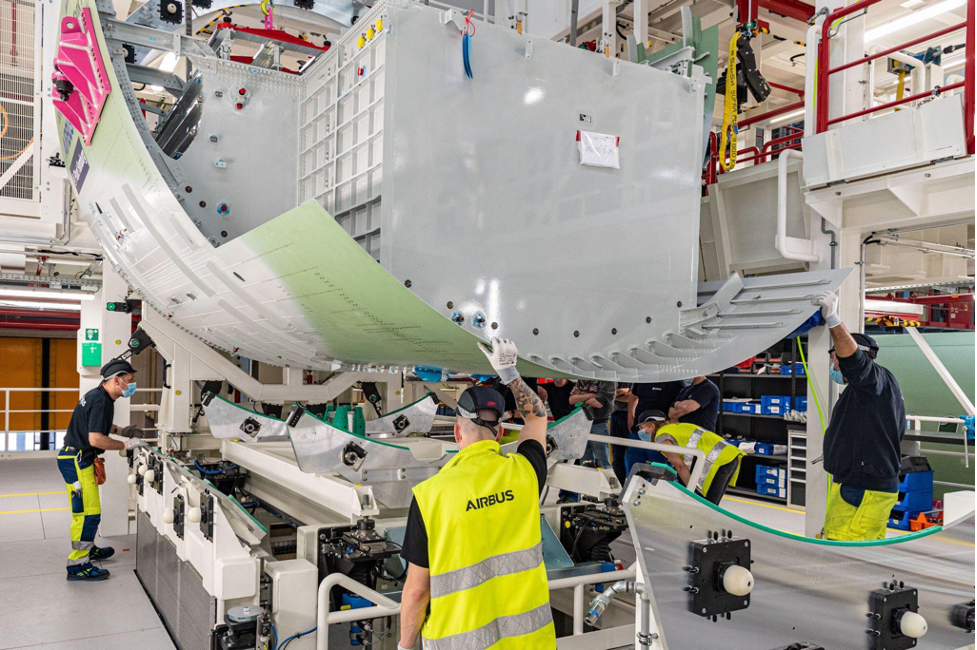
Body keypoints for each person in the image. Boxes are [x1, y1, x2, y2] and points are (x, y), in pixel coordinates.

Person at [398, 339, 556, 650]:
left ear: (457, 433)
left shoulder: (430, 496)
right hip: (531, 642)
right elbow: (537, 417)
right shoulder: (525, 473)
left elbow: (417, 591)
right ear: (500, 433)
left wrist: (404, 645)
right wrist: (510, 374)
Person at [814, 292, 906, 541]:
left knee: (852, 551)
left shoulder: (874, 379)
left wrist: (833, 319)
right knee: (834, 541)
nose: (833, 365)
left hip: (867, 488)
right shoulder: (864, 390)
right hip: (854, 483)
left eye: (834, 358)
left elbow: (854, 362)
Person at [57, 359, 146, 582]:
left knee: (87, 510)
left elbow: (96, 424)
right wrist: (125, 445)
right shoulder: (101, 401)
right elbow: (95, 439)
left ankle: (89, 549)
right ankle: (78, 565)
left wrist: (122, 431)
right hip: (78, 461)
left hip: (75, 458)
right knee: (88, 514)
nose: (132, 384)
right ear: (117, 380)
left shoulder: (98, 396)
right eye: (130, 380)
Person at [631, 410, 745, 505]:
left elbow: (681, 467)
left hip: (720, 460)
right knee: (711, 505)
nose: (640, 432)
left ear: (652, 426)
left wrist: (692, 492)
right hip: (730, 455)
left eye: (641, 428)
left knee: (706, 506)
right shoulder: (673, 428)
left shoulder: (661, 437)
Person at [569, 380, 616, 469]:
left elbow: (598, 403)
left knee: (603, 462)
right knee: (585, 462)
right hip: (582, 423)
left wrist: (580, 397)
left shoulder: (608, 380)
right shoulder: (583, 378)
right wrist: (590, 396)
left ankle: (606, 478)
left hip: (599, 423)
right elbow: (571, 400)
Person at [609, 384, 633, 483]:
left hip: (631, 417)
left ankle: (631, 484)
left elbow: (632, 397)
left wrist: (614, 395)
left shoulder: (637, 378)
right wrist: (623, 392)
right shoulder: (616, 378)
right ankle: (619, 484)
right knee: (617, 455)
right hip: (615, 416)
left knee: (632, 455)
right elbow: (606, 394)